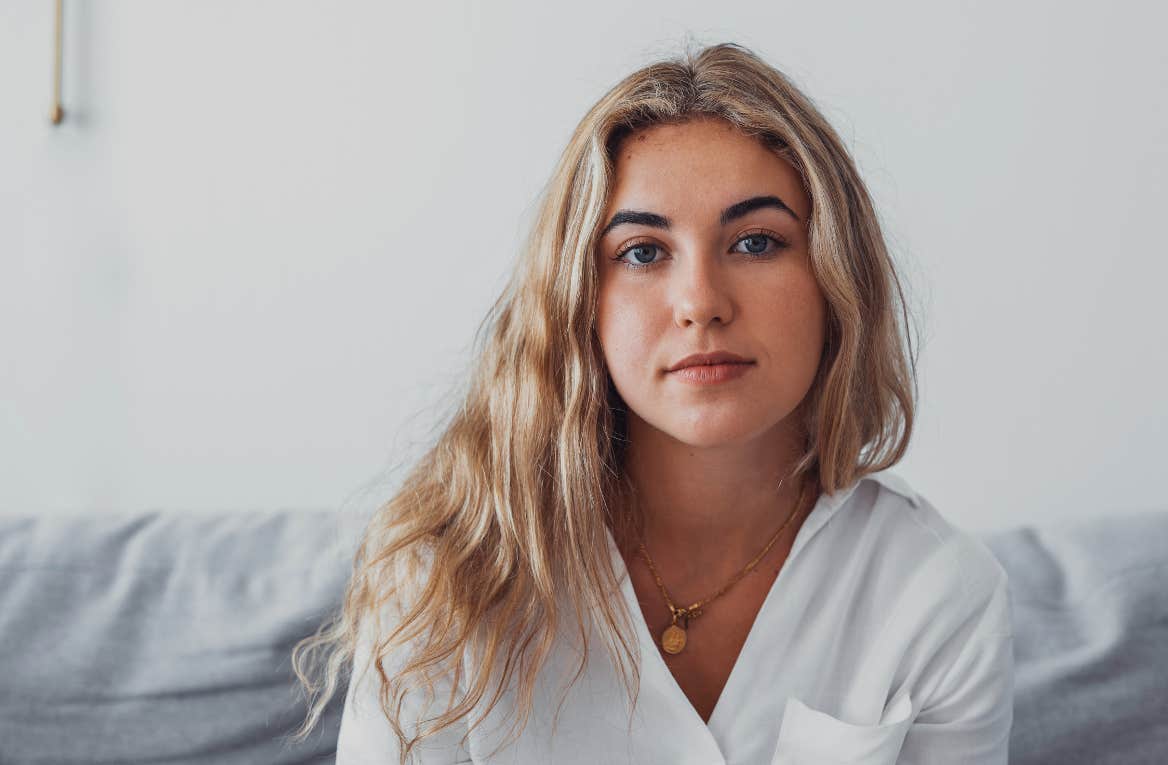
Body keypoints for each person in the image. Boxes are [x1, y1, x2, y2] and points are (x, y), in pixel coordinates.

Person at [291, 41, 1014, 764]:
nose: (701, 302)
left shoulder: (939, 593)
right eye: (643, 252)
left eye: (757, 242)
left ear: (835, 276)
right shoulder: (445, 576)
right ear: (579, 298)